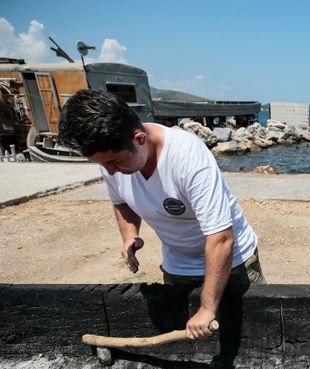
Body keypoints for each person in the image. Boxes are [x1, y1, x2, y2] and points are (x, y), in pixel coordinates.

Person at [58, 89, 265, 340]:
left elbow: (221, 237)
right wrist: (130, 234)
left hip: (233, 263)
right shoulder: (112, 162)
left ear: (139, 139)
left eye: (114, 162)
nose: (110, 172)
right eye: (103, 165)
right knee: (187, 339)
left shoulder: (186, 156)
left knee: (254, 334)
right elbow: (121, 201)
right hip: (178, 265)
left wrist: (207, 308)